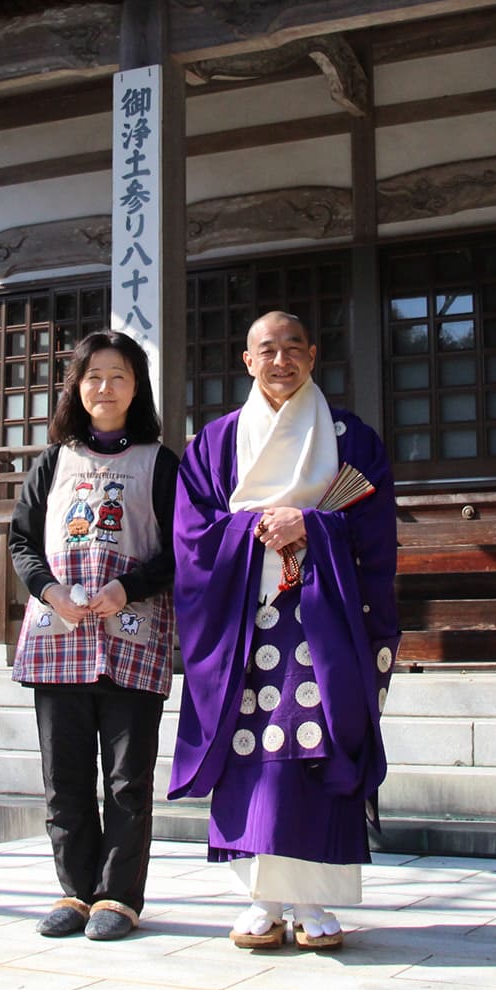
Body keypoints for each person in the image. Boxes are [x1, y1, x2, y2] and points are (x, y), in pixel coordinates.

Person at [169, 310, 399, 951]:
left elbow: (375, 536)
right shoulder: (214, 444)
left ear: (314, 355)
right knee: (250, 755)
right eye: (267, 350)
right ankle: (261, 899)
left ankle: (316, 900)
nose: (280, 360)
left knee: (320, 748)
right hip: (246, 621)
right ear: (247, 361)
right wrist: (253, 531)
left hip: (323, 622)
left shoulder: (354, 441)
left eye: (293, 347)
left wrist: (312, 526)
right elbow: (192, 540)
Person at [9, 329, 178, 941]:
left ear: (138, 388)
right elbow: (22, 542)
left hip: (132, 634)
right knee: (66, 777)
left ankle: (118, 898)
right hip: (58, 637)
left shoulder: (160, 463)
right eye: (93, 376)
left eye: (119, 376)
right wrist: (51, 591)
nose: (104, 388)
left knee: (128, 780)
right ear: (77, 388)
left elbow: (179, 552)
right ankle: (74, 891)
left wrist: (126, 590)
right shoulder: (51, 462)